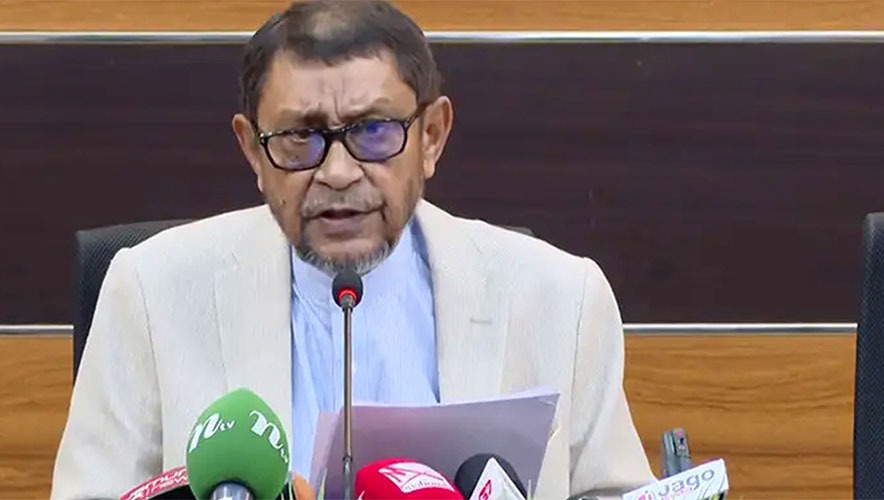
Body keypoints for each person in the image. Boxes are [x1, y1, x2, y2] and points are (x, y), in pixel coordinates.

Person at [51, 1, 654, 498]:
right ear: (253, 151)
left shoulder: (561, 300)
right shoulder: (151, 291)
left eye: (373, 131)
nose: (338, 172)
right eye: (299, 136)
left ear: (432, 137)